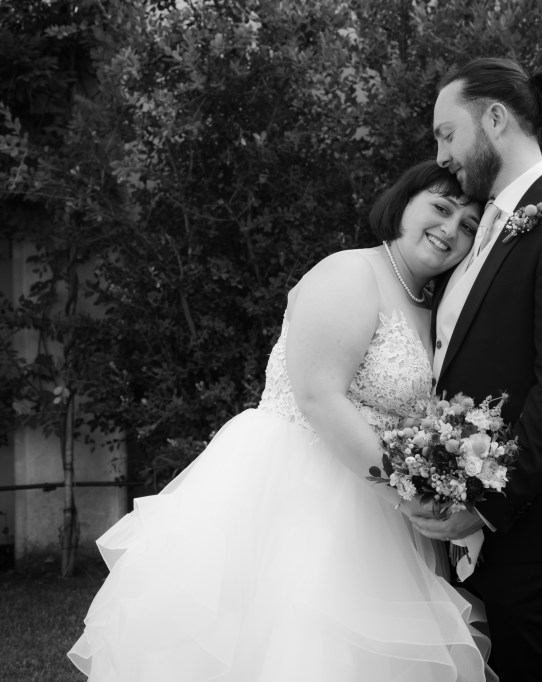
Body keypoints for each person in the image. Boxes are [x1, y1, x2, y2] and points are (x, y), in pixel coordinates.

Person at [67, 161, 494, 681]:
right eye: (441, 208)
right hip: (296, 488)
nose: (450, 229)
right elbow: (318, 397)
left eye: (468, 225)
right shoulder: (350, 273)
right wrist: (405, 494)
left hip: (375, 506)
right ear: (404, 204)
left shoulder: (432, 305)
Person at [407, 57, 542, 682]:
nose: (441, 155)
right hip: (474, 536)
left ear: (496, 119)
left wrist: (483, 507)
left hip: (535, 537)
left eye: (448, 133)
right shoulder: (481, 229)